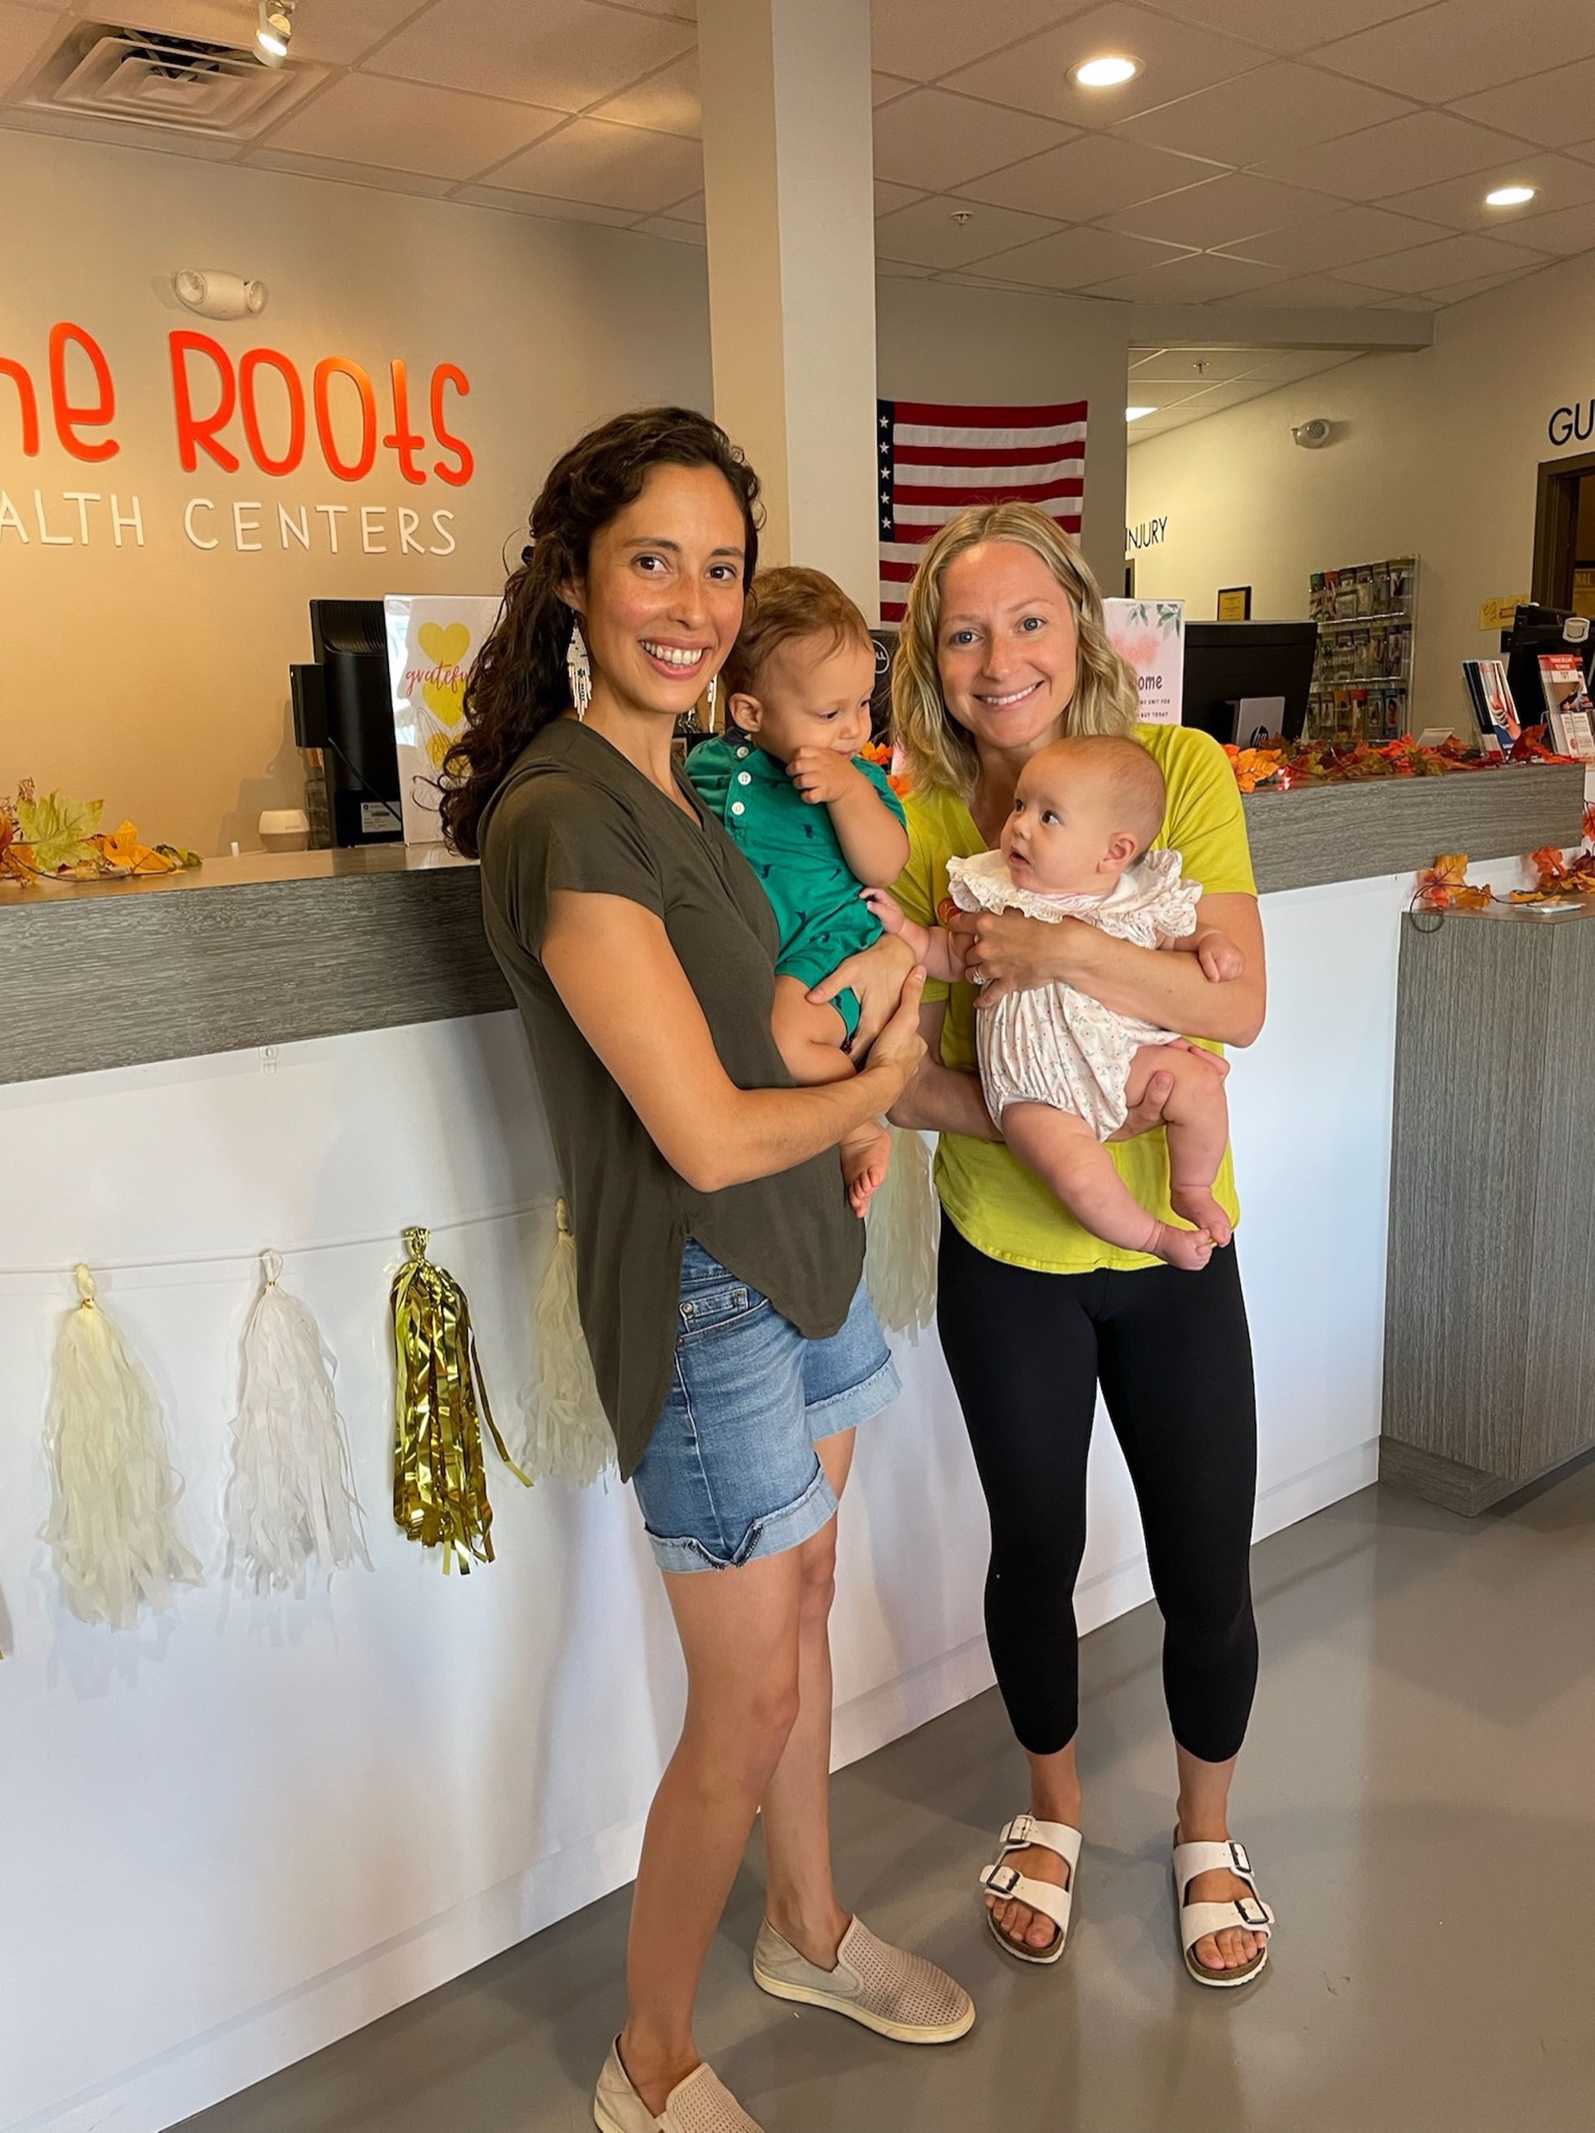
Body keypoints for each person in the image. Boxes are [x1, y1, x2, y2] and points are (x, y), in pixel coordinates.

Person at [441, 408, 971, 2133]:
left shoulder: (698, 779)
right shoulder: (564, 812)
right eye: (651, 557)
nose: (691, 599)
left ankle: (807, 1928)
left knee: (809, 1616)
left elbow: (772, 1021)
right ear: (576, 579)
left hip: (808, 1253)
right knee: (740, 1696)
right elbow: (699, 1125)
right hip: (707, 1292)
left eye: (721, 562)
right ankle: (647, 2059)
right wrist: (887, 1083)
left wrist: (848, 1067)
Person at [821, 500, 1276, 1988]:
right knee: (1039, 1551)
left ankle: (1207, 1832)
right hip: (1007, 1258)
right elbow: (905, 1067)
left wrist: (1066, 949)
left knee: (1206, 1559)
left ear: (1079, 626)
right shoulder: (924, 825)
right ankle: (1055, 1807)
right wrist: (1024, 1118)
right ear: (930, 661)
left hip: (1174, 1262)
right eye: (963, 632)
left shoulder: (1182, 774)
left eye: (1025, 620)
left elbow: (1235, 1008)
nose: (997, 656)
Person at [868, 732, 1246, 1270]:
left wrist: (1211, 943)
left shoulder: (1131, 897)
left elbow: (1175, 936)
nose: (1019, 823)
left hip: (1121, 1058)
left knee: (1201, 1086)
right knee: (1075, 1170)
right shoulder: (997, 896)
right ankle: (1152, 1236)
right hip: (1032, 1084)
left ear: (1114, 852)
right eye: (1021, 805)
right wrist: (906, 930)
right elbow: (949, 955)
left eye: (1049, 817)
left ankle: (1191, 1187)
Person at [689, 566, 910, 1216]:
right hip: (756, 952)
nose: (853, 727)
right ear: (751, 712)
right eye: (829, 711)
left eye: (862, 705)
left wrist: (846, 793)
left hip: (828, 944)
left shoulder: (862, 780)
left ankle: (858, 1122)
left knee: (785, 1038)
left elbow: (885, 865)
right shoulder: (706, 766)